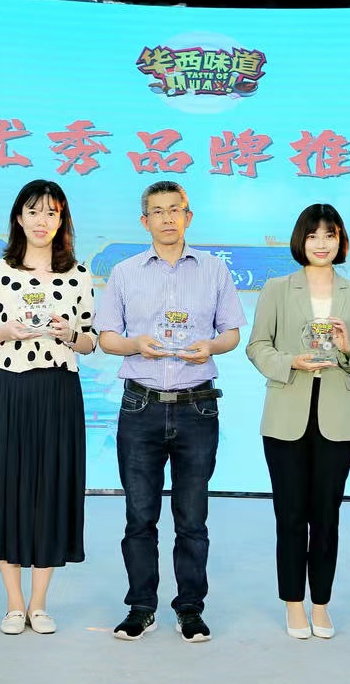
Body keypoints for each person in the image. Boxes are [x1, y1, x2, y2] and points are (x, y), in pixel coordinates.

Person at [94, 181, 246, 643]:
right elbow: (106, 338)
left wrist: (210, 347)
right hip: (140, 404)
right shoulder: (124, 273)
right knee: (139, 516)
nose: (166, 218)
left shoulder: (214, 270)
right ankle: (141, 607)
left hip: (197, 404)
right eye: (157, 211)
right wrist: (135, 344)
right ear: (145, 221)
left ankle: (190, 608)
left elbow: (232, 333)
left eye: (174, 209)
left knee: (192, 518)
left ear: (188, 216)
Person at [0, 180, 96, 636]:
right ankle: (14, 603)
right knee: (6, 488)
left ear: (62, 221)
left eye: (51, 213)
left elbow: (91, 341)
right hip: (9, 389)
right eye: (34, 211)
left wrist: (67, 333)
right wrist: (8, 331)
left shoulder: (79, 274)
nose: (42, 221)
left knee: (51, 490)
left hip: (59, 391)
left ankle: (39, 603)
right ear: (19, 218)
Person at [246, 203, 350, 640]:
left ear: (341, 241)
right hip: (286, 416)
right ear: (300, 240)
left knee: (326, 517)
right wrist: (290, 362)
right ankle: (293, 604)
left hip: (337, 420)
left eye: (330, 235)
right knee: (290, 516)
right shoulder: (277, 289)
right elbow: (257, 345)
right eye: (313, 235)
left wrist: (346, 348)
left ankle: (321, 604)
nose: (321, 244)